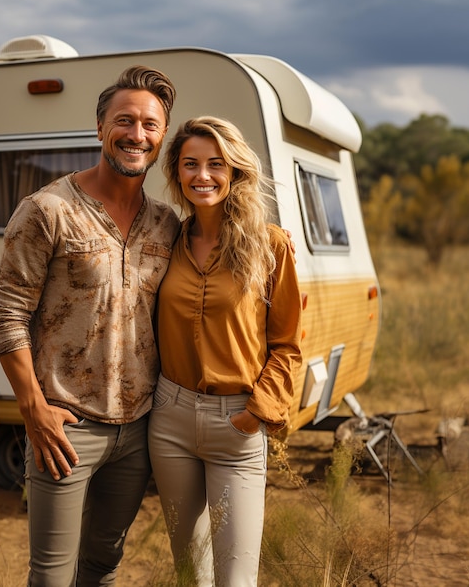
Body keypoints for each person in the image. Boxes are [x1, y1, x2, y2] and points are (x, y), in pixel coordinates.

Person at [0, 65, 179, 586]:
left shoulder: (167, 223)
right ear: (100, 129)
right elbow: (6, 315)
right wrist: (34, 410)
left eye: (150, 125)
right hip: (65, 428)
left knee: (102, 568)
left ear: (162, 136)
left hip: (139, 427)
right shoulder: (47, 210)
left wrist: (274, 241)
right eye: (125, 121)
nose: (137, 135)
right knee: (51, 576)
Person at [148, 116, 303, 587]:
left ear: (234, 170)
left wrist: (256, 414)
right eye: (191, 164)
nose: (203, 175)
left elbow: (289, 345)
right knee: (190, 573)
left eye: (216, 164)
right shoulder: (167, 240)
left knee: (235, 579)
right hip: (169, 421)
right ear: (176, 173)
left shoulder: (270, 246)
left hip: (237, 424)